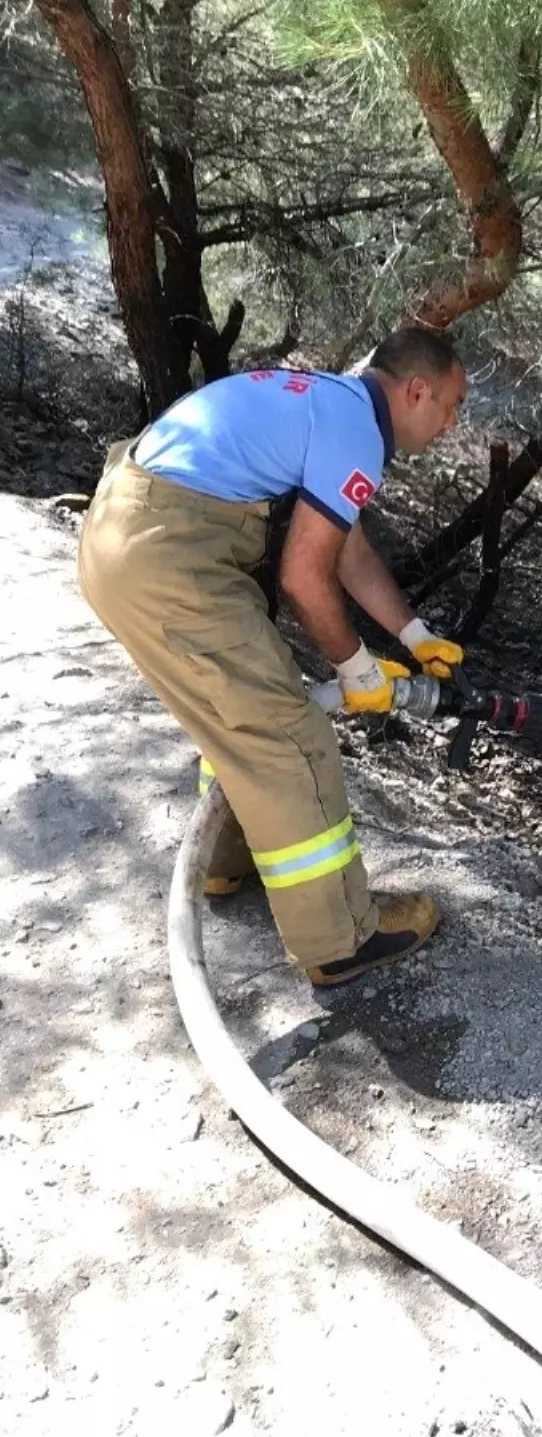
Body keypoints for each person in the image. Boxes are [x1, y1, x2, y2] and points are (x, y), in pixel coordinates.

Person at [78, 327, 468, 986]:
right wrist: (357, 670)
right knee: (290, 739)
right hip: (168, 557)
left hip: (126, 532)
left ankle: (227, 859)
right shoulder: (358, 432)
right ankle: (340, 942)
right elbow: (303, 576)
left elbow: (347, 551)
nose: (452, 424)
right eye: (451, 405)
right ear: (416, 389)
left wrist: (414, 634)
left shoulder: (333, 401)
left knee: (243, 718)